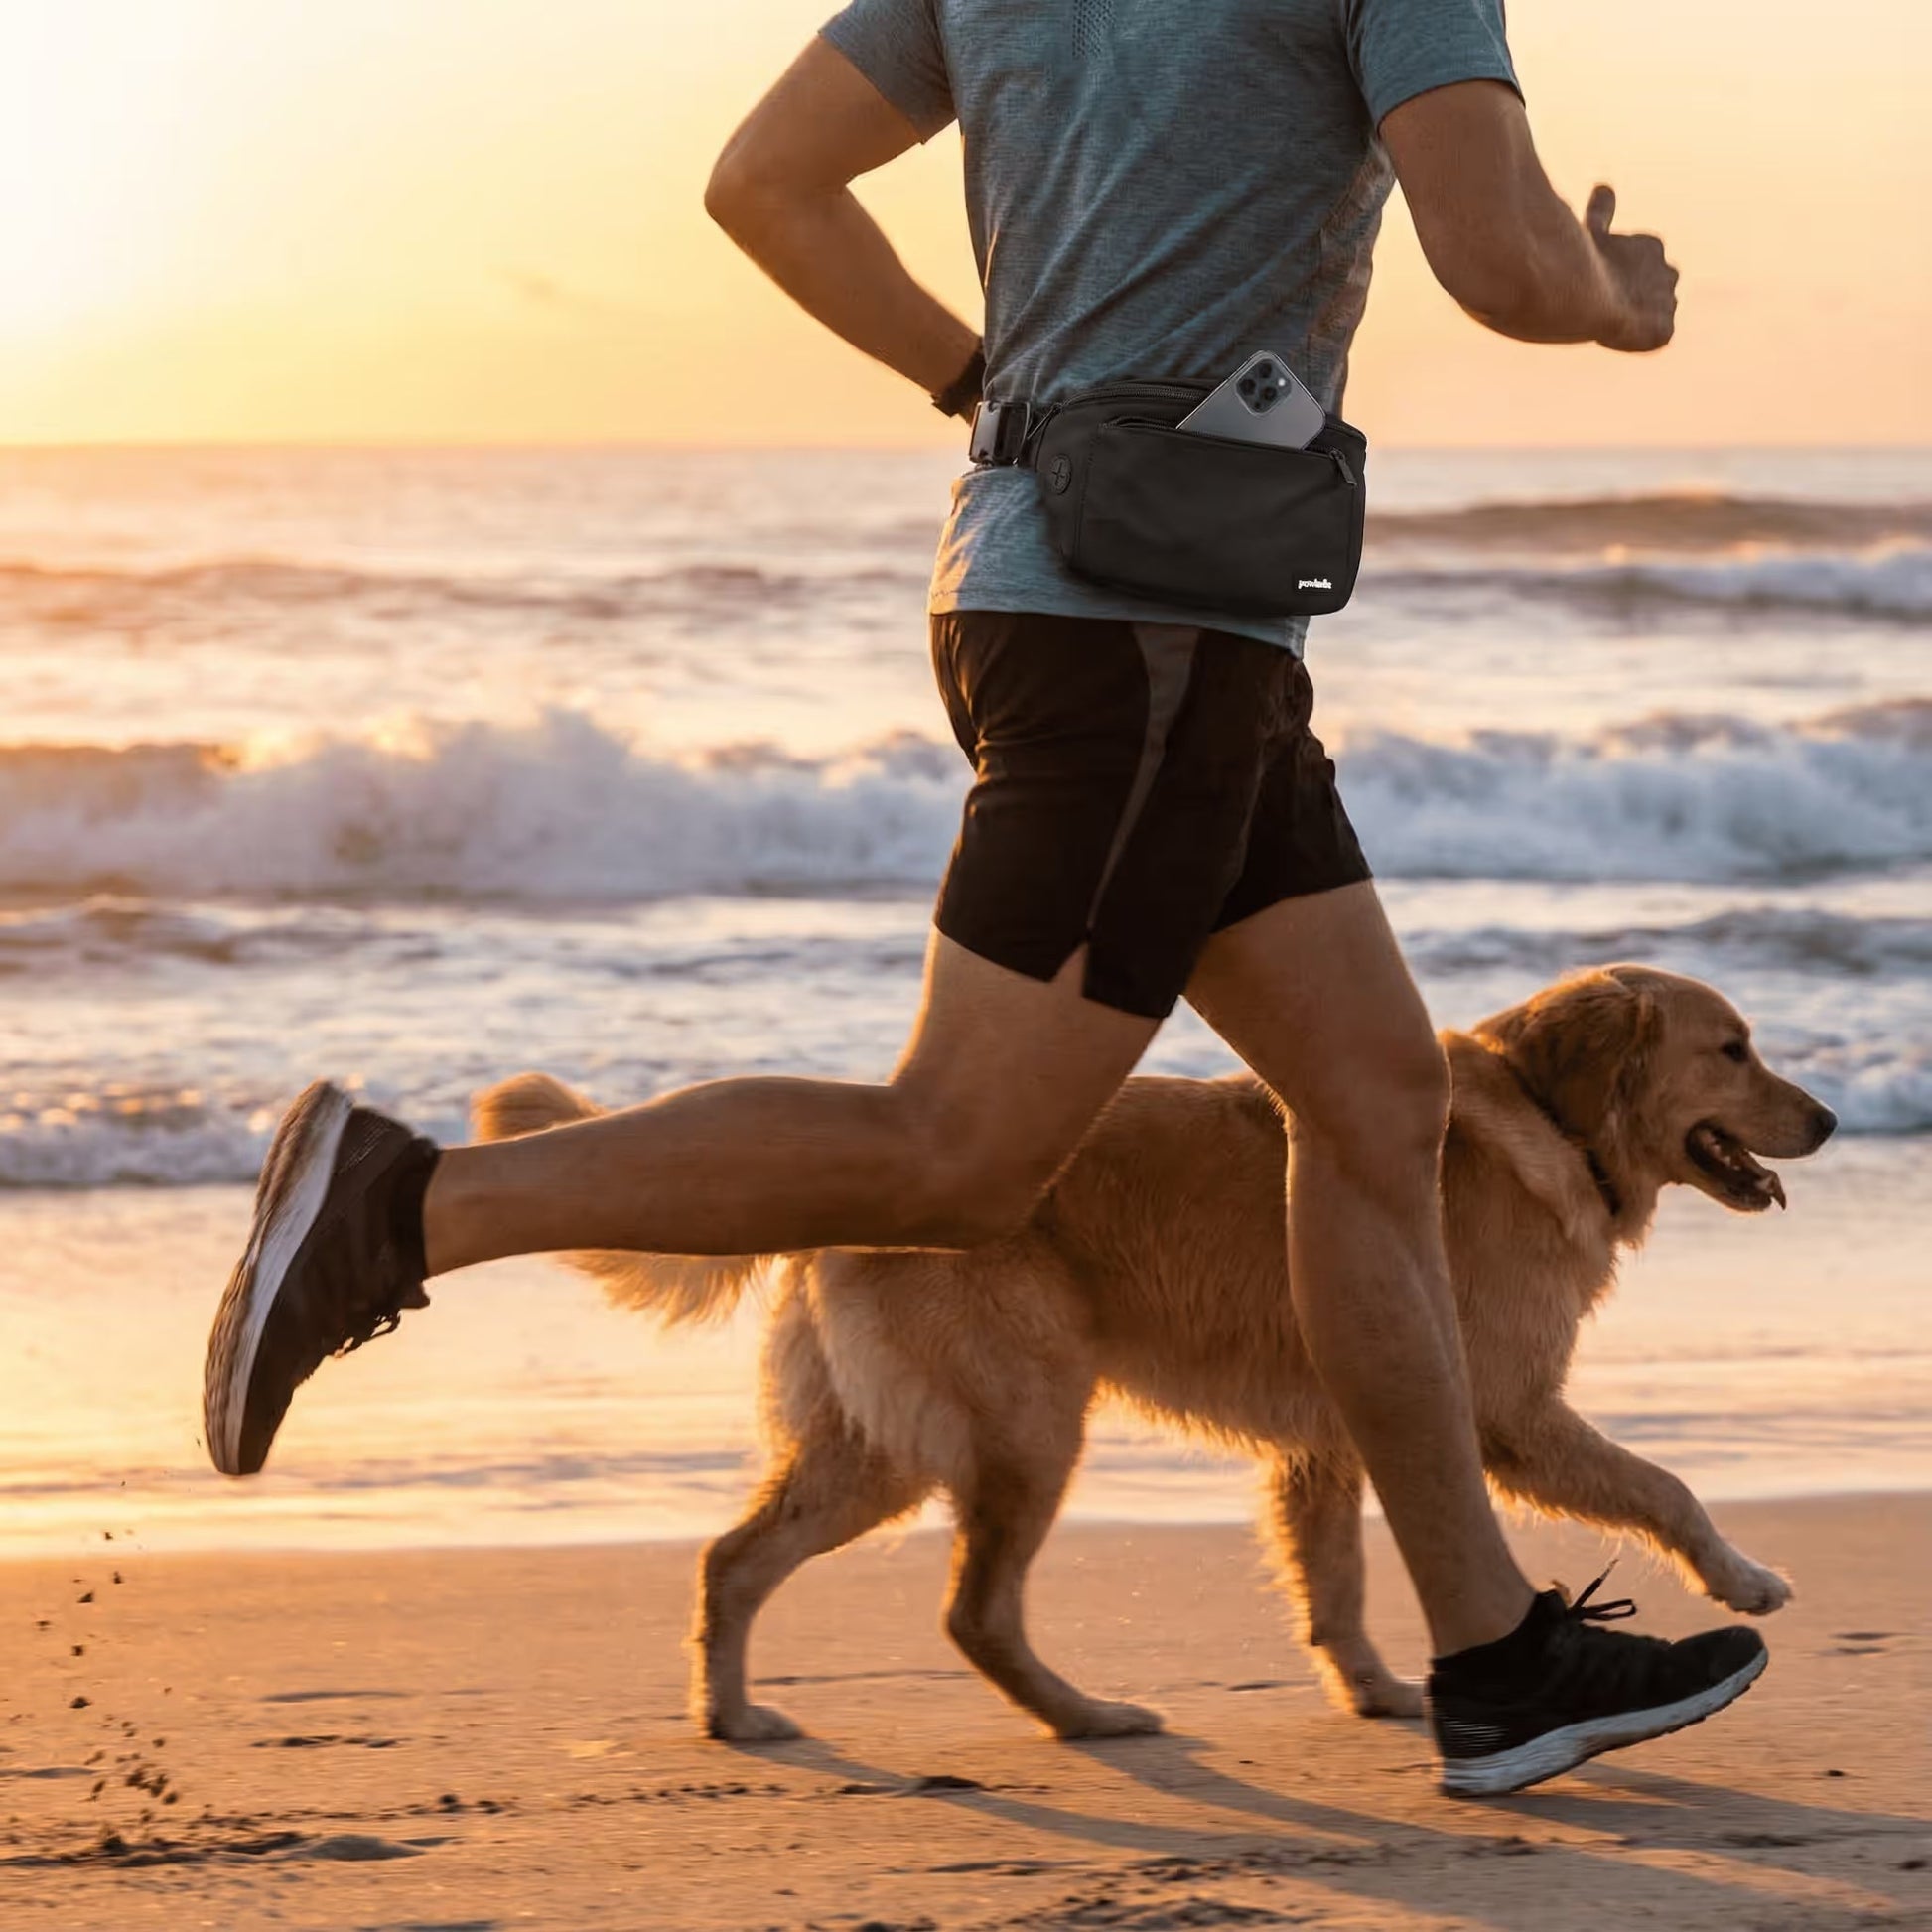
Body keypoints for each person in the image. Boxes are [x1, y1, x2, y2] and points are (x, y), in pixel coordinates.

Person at [203, 0, 1767, 1797]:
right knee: (958, 1155)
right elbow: (1500, 262)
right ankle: (405, 1204)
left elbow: (765, 183)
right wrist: (1614, 293)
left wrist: (997, 390)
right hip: (1148, 635)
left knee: (1378, 1100)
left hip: (1086, 596)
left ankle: (1492, 1656)